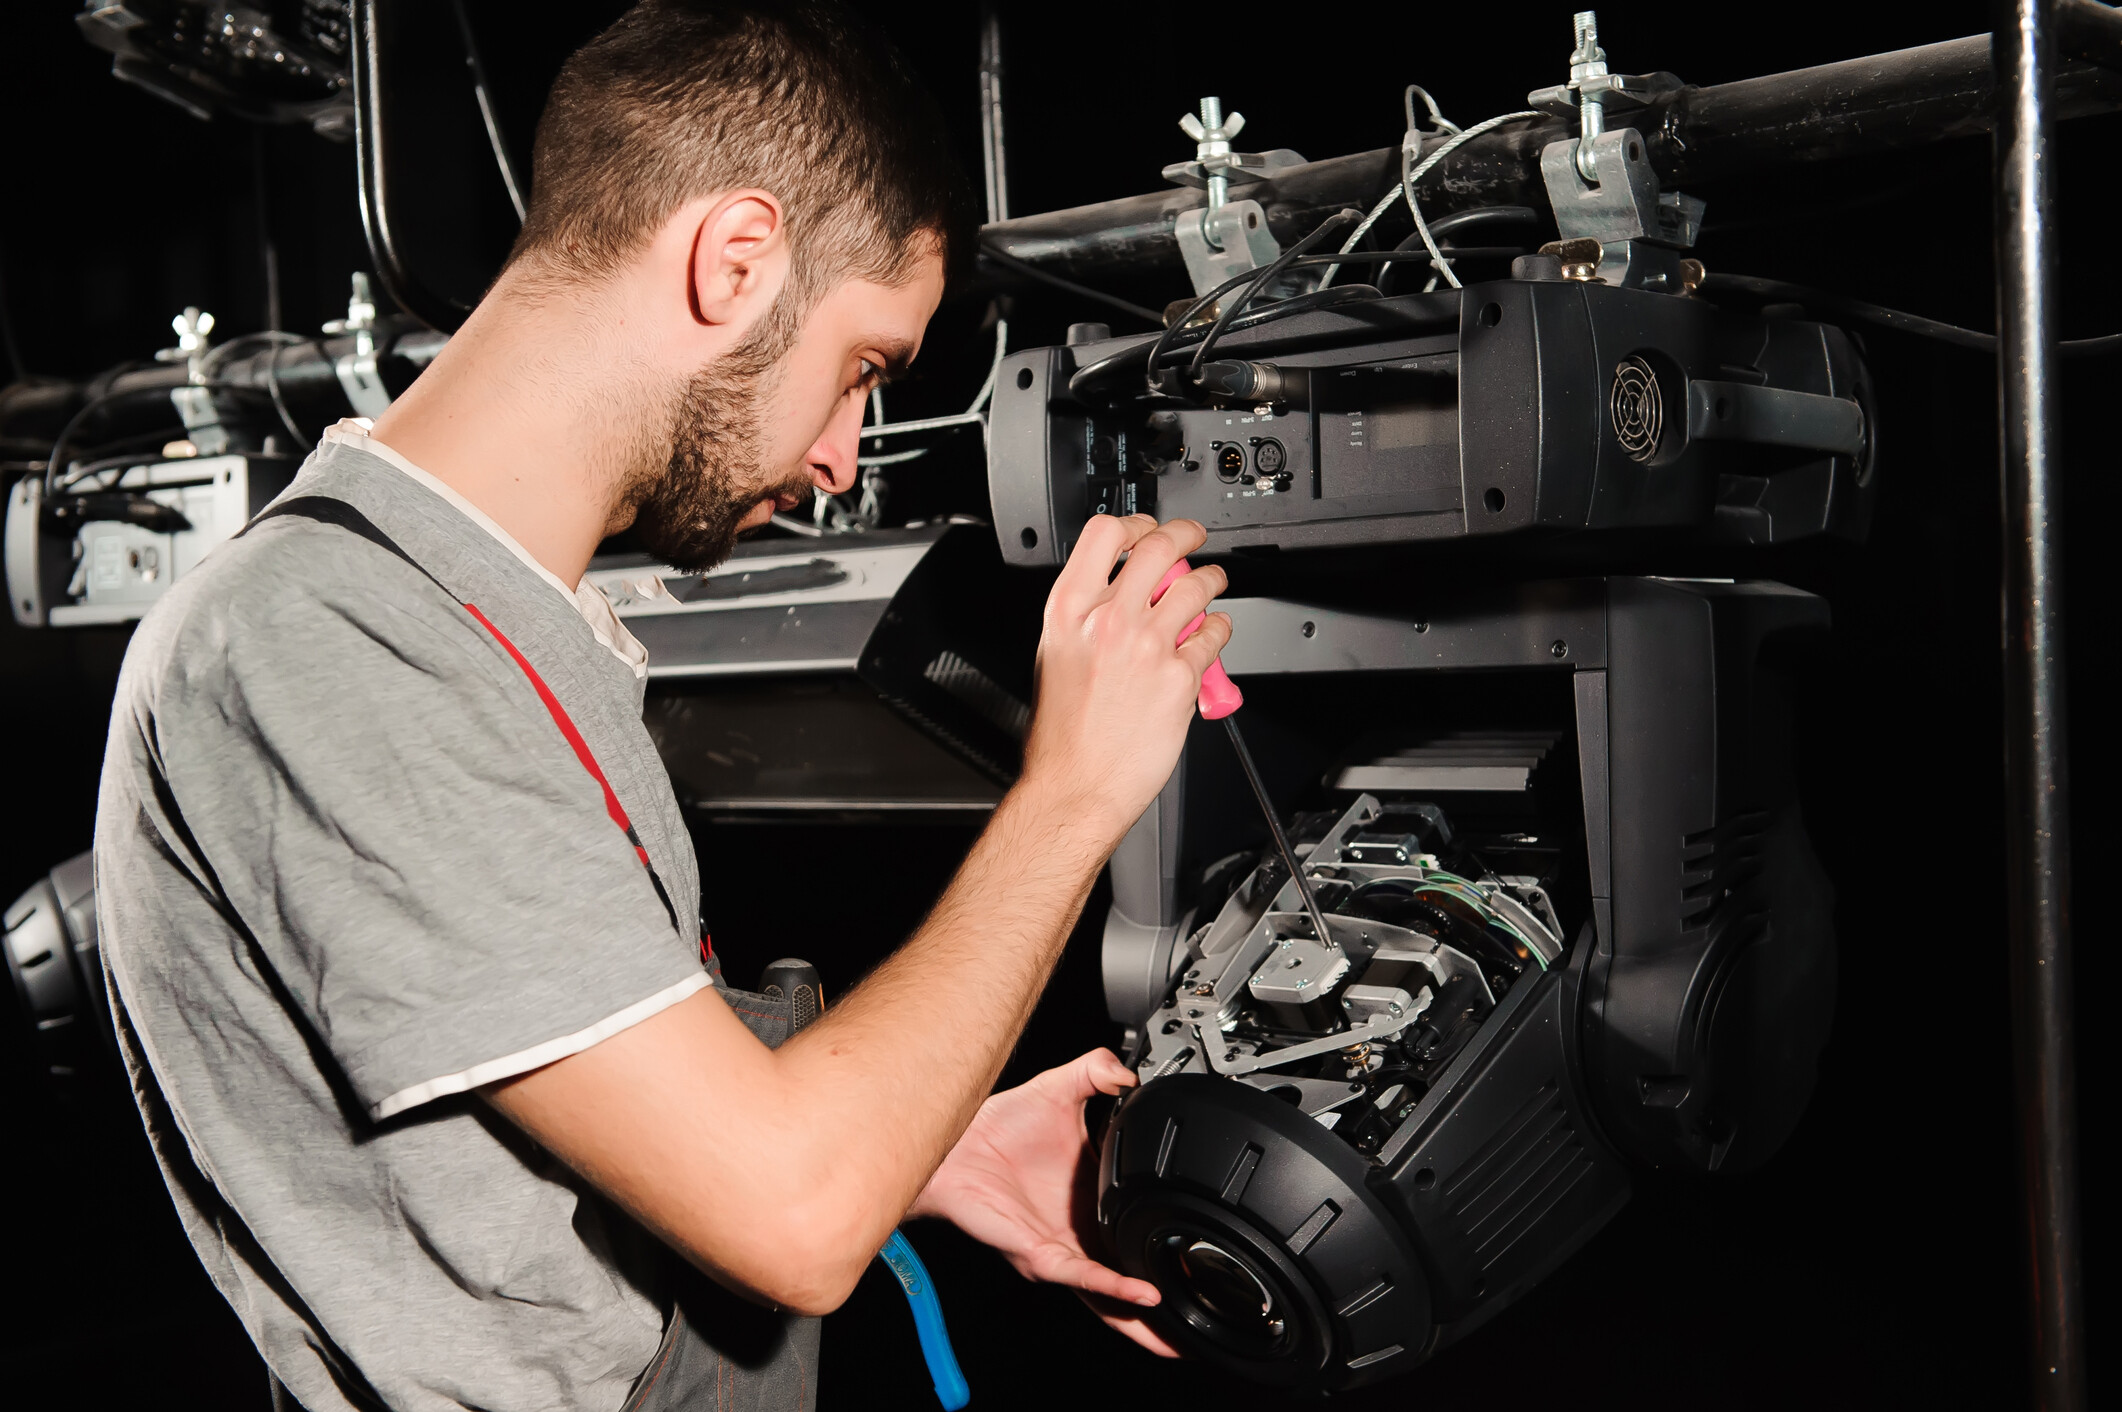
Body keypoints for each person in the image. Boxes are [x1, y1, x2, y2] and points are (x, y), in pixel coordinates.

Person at [91, 3, 1232, 1409]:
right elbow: (794, 1217)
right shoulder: (321, 640)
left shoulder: (472, 614)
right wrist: (1072, 794)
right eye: (862, 367)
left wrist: (929, 1151)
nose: (838, 457)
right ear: (734, 259)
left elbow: (582, 1129)